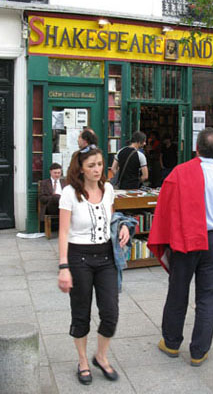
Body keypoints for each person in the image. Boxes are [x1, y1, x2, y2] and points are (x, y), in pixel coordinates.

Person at [148, 127, 213, 367]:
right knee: (208, 298)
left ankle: (171, 342)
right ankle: (199, 352)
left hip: (185, 240)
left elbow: (165, 210)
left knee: (178, 292)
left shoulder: (179, 173)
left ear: (196, 147)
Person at [58, 145, 130, 385]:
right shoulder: (69, 193)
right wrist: (63, 267)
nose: (97, 169)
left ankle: (100, 356)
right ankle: (83, 361)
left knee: (110, 312)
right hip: (79, 258)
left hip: (106, 257)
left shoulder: (108, 189)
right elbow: (64, 232)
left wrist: (121, 228)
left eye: (100, 164)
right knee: (81, 314)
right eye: (91, 165)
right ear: (81, 169)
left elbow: (112, 219)